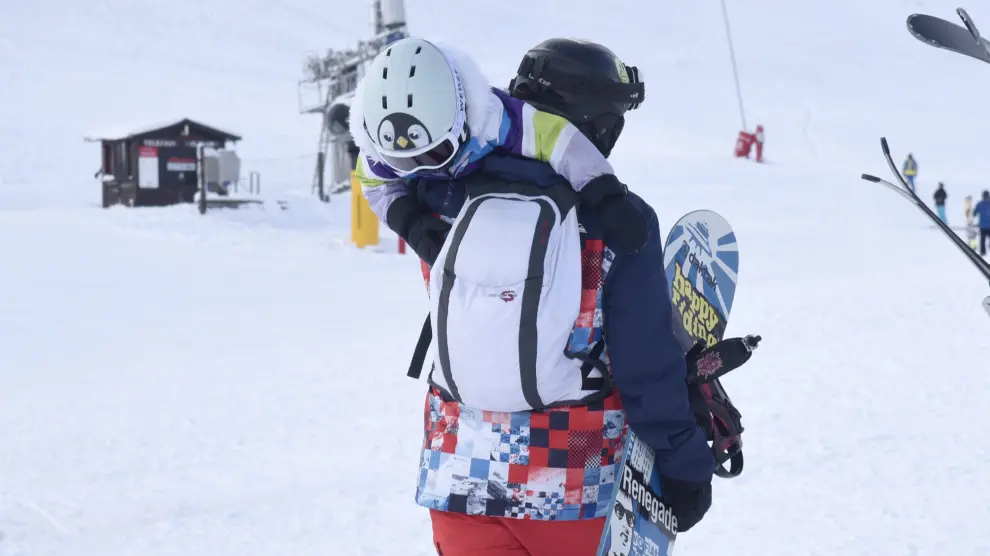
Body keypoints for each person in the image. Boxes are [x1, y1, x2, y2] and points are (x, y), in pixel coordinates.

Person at [349, 37, 731, 556]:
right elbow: (645, 367)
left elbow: (376, 177)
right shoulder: (620, 222)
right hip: (574, 488)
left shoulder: (436, 200)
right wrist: (686, 467)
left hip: (458, 476)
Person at [349, 36, 647, 264]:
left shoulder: (495, 121)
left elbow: (560, 141)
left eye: (436, 154)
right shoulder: (375, 147)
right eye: (400, 162)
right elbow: (375, 183)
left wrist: (606, 195)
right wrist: (409, 222)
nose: (422, 169)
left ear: (460, 123)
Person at [973, 190, 990, 256]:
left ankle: (983, 251)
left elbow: (974, 213)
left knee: (982, 239)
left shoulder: (980, 204)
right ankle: (983, 251)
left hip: (982, 226)